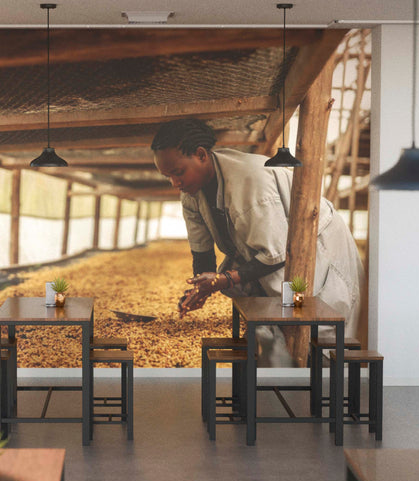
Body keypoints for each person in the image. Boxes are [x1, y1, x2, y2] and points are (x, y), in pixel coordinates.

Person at [151, 118, 363, 366]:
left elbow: (276, 255)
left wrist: (223, 280)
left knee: (317, 329)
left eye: (178, 173)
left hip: (316, 252)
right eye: (168, 177)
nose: (175, 183)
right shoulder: (191, 194)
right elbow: (202, 252)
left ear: (200, 155)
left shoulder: (249, 181)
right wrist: (202, 286)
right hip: (277, 256)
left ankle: (320, 388)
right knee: (287, 319)